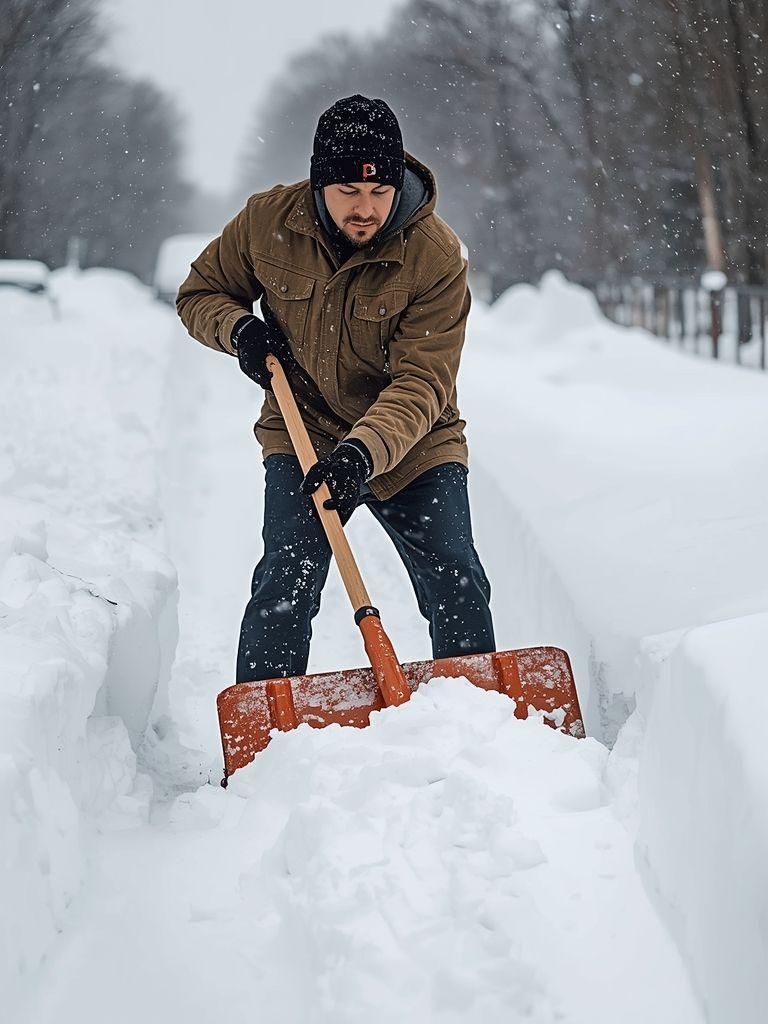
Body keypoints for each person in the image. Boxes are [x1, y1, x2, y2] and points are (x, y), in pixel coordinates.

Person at [177, 94, 495, 683]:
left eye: (380, 192)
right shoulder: (267, 224)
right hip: (306, 429)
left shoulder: (435, 256)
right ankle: (267, 729)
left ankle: (476, 715)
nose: (366, 209)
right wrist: (239, 329)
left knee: (456, 575)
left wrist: (363, 452)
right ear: (319, 183)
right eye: (349, 191)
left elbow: (423, 379)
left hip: (413, 442)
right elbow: (200, 295)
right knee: (285, 580)